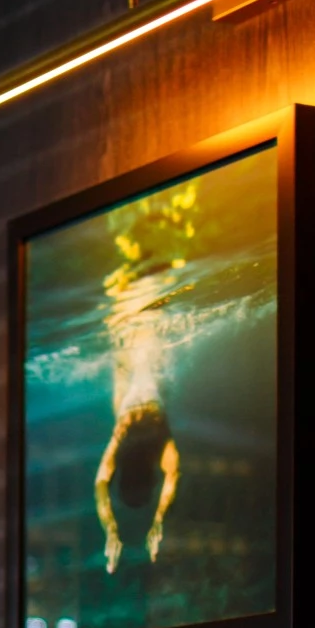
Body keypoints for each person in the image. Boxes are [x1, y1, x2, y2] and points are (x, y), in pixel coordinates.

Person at [93, 182, 196, 575]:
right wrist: (114, 527)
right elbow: (101, 484)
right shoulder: (121, 443)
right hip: (136, 365)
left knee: (148, 302)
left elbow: (174, 474)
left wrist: (158, 519)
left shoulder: (152, 444)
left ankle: (151, 225)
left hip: (147, 363)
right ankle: (141, 227)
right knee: (136, 301)